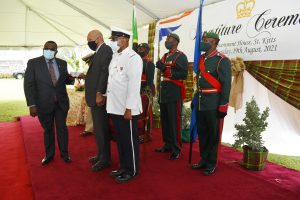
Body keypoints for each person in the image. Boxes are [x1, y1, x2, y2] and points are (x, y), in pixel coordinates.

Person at [24, 41, 74, 165]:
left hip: (61, 103)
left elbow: (64, 80)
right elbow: (28, 85)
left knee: (62, 128)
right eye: (47, 48)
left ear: (56, 51)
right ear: (43, 49)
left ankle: (64, 154)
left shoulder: (62, 63)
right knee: (48, 129)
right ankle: (49, 155)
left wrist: (72, 78)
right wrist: (32, 105)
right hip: (43, 104)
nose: (49, 51)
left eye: (52, 49)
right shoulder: (33, 63)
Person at [191, 32, 231, 176]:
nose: (203, 42)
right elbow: (199, 81)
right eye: (203, 39)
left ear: (214, 42)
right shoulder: (202, 59)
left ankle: (212, 162)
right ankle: (204, 158)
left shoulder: (222, 60)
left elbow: (226, 86)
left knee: (213, 135)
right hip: (201, 102)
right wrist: (195, 99)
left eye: (206, 40)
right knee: (202, 133)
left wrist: (223, 106)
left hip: (214, 103)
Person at [106, 29, 143, 183]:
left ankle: (132, 170)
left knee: (129, 141)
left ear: (124, 39)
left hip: (127, 108)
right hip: (115, 107)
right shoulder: (115, 56)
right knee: (120, 140)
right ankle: (123, 166)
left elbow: (134, 86)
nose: (112, 42)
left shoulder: (133, 58)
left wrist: (129, 108)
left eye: (114, 39)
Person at [80, 30, 113, 171]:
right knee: (98, 129)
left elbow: (105, 73)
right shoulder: (98, 51)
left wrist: (100, 92)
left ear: (99, 38)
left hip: (98, 96)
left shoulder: (105, 50)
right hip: (94, 96)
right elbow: (97, 72)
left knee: (102, 129)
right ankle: (100, 155)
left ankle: (105, 159)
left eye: (90, 39)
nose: (89, 42)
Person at [155, 33, 188, 160]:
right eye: (167, 39)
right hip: (164, 91)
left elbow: (183, 74)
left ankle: (176, 148)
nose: (167, 41)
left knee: (174, 121)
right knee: (166, 120)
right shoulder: (165, 56)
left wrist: (165, 69)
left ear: (176, 41)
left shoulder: (180, 56)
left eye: (169, 39)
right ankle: (168, 145)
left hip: (174, 91)